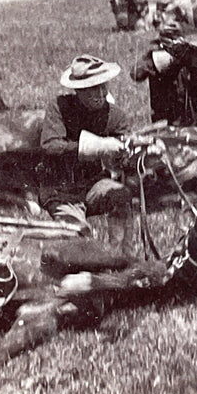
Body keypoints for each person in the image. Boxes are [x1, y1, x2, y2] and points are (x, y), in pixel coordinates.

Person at [38, 54, 134, 254]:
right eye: (92, 88)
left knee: (121, 196)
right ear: (78, 90)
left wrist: (134, 153)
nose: (100, 93)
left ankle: (123, 258)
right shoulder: (59, 108)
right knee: (80, 236)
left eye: (103, 86)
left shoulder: (115, 116)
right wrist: (99, 146)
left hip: (94, 186)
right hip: (61, 190)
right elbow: (51, 146)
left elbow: (125, 161)